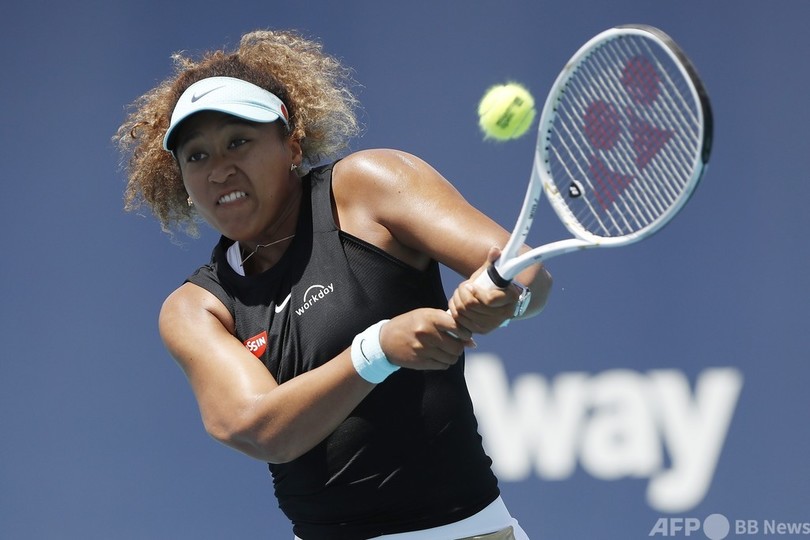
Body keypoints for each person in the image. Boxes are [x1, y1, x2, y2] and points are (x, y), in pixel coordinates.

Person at [115, 29, 552, 540]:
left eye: (239, 142)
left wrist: (505, 299)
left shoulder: (366, 188)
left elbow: (526, 273)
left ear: (291, 145)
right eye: (197, 156)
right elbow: (261, 430)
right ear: (183, 181)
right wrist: (378, 349)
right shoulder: (196, 309)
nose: (220, 170)